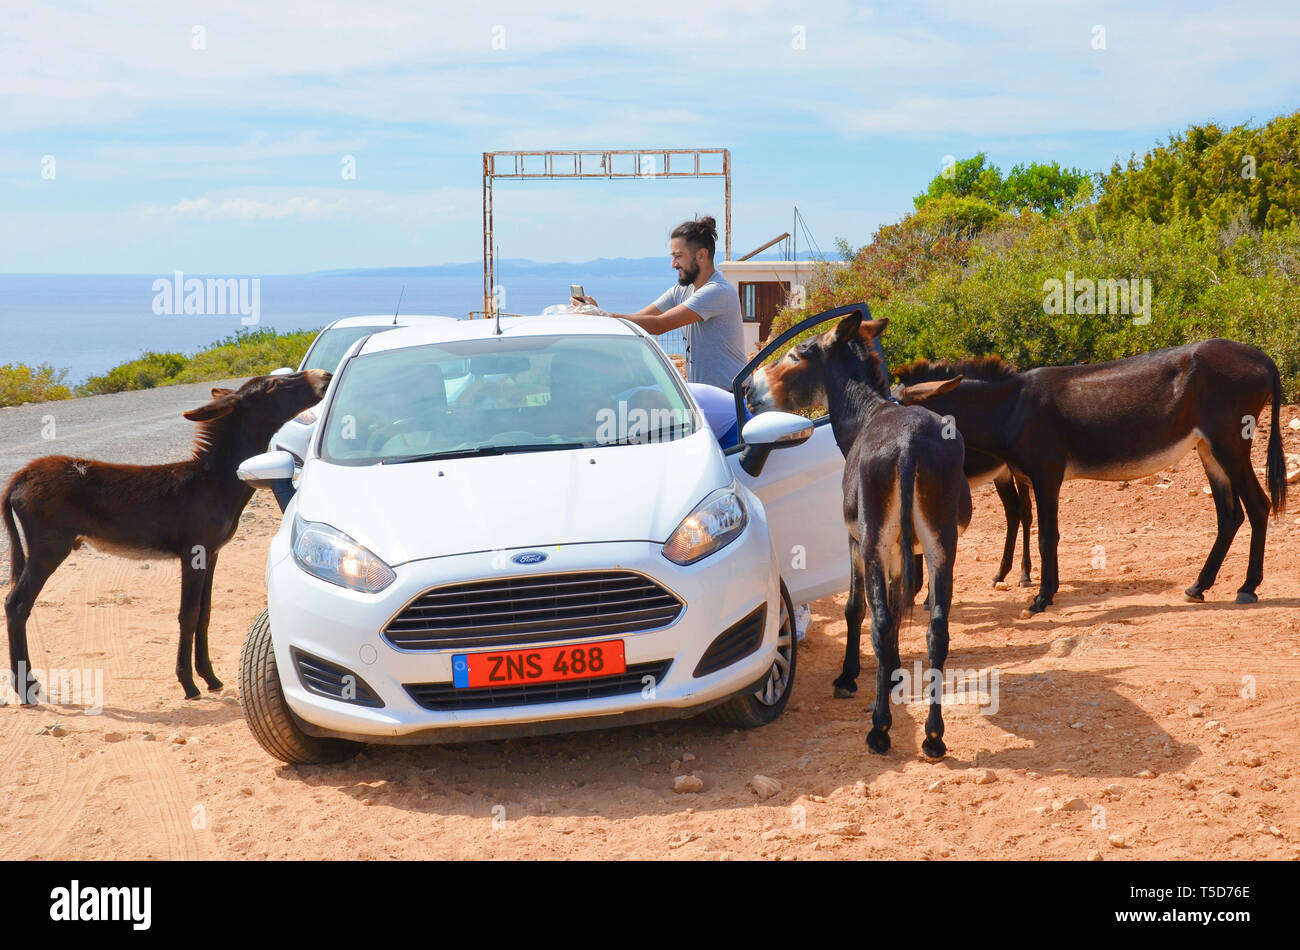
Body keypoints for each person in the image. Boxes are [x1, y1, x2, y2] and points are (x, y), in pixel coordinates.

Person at [572, 215, 748, 393]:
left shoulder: (718, 291)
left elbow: (659, 324)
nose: (673, 264)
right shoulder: (681, 291)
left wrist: (603, 316)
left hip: (731, 397)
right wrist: (598, 313)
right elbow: (640, 320)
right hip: (704, 393)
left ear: (701, 255)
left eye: (678, 257)